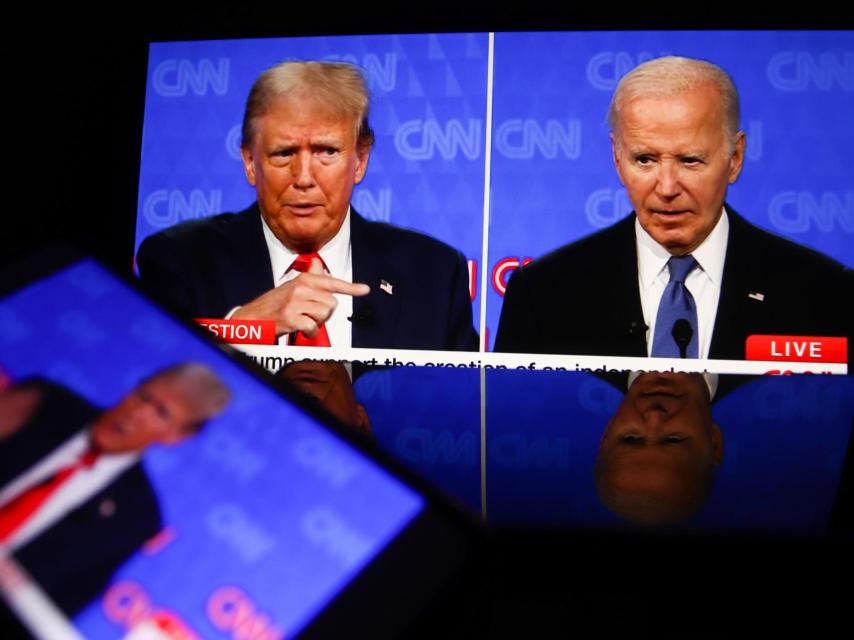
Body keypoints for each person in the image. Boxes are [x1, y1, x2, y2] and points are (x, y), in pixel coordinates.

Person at [495, 56, 852, 360]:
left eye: (690, 160)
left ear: (735, 158)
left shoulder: (825, 294)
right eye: (645, 159)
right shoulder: (542, 295)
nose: (666, 188)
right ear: (617, 158)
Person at [138, 61, 478, 352]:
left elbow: (464, 414)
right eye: (284, 153)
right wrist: (243, 327)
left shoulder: (432, 272)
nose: (303, 178)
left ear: (360, 160)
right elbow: (148, 384)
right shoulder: (179, 261)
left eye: (326, 151)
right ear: (250, 163)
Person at [0, 363, 231, 614]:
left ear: (176, 436)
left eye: (161, 413)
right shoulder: (42, 404)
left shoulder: (137, 518)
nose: (137, 412)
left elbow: (61, 605)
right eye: (143, 396)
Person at [594, 372, 723, 526]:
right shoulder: (759, 365)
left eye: (631, 438)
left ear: (606, 434)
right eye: (673, 439)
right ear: (714, 442)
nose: (654, 415)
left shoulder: (572, 351)